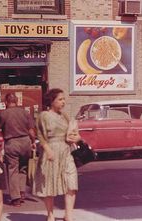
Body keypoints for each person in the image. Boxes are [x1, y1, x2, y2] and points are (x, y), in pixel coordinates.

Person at [33, 88, 81, 221]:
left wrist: (76, 138)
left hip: (66, 151)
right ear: (52, 101)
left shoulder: (65, 116)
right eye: (60, 99)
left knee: (71, 182)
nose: (63, 102)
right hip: (51, 152)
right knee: (50, 184)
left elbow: (74, 133)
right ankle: (50, 214)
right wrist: (47, 150)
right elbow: (40, 135)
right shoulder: (44, 116)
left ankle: (68, 215)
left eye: (64, 99)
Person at [0, 93, 36, 207]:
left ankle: (15, 198)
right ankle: (22, 192)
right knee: (23, 168)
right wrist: (33, 141)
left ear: (6, 102)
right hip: (26, 142)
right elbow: (31, 131)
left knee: (13, 170)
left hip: (12, 143)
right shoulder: (25, 113)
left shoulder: (3, 114)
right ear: (16, 101)